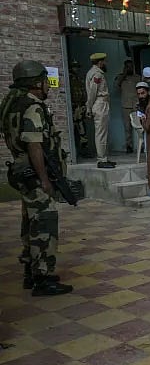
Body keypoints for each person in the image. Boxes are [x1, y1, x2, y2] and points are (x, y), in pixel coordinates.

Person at [0, 60, 73, 295]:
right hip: (34, 174)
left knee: (29, 222)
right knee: (44, 223)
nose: (48, 86)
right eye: (46, 81)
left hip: (22, 173)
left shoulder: (12, 104)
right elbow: (35, 145)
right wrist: (45, 179)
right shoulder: (32, 106)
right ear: (36, 83)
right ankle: (44, 277)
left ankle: (31, 273)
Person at [86, 52, 115, 169]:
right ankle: (101, 159)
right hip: (99, 103)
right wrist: (89, 106)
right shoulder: (97, 74)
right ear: (100, 62)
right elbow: (93, 92)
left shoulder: (95, 73)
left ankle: (104, 157)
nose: (105, 63)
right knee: (101, 133)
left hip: (101, 103)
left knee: (103, 132)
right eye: (104, 61)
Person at [116, 59, 140, 153]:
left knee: (139, 126)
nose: (130, 68)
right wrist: (124, 74)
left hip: (136, 105)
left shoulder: (137, 77)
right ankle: (129, 146)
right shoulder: (120, 78)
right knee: (127, 127)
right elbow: (116, 86)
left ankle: (140, 146)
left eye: (131, 66)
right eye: (128, 67)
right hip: (125, 105)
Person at [69, 60, 92, 159]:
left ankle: (84, 150)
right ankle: (76, 152)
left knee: (82, 131)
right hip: (74, 107)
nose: (76, 69)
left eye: (77, 67)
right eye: (75, 67)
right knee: (74, 130)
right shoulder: (69, 78)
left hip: (80, 107)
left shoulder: (79, 78)